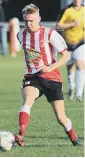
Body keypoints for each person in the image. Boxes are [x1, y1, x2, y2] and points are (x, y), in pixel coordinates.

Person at [14, 4, 82, 147]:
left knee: (61, 118)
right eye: (26, 21)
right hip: (32, 77)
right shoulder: (20, 35)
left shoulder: (50, 34)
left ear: (39, 18)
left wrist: (50, 67)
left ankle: (74, 138)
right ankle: (21, 134)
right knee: (27, 101)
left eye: (31, 20)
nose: (28, 24)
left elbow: (66, 56)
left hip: (52, 78)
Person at [56, 0, 85, 102]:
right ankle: (72, 86)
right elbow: (58, 25)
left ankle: (79, 94)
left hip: (81, 42)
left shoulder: (84, 10)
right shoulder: (66, 10)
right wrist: (72, 24)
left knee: (80, 65)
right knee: (70, 68)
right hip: (67, 43)